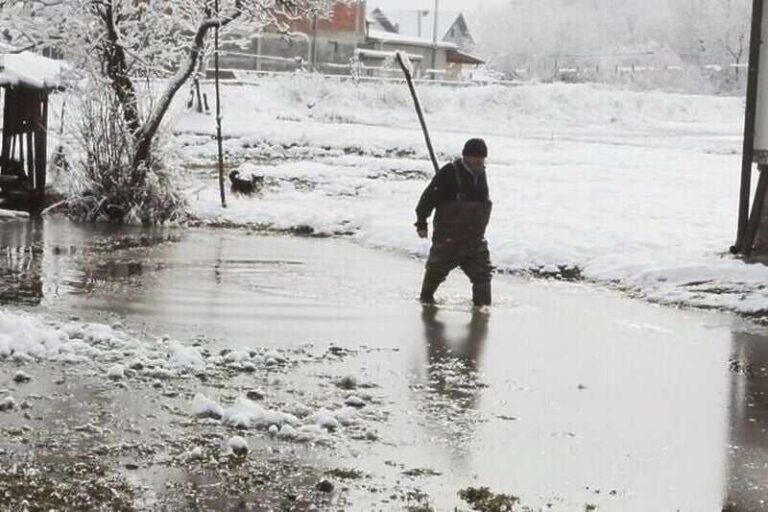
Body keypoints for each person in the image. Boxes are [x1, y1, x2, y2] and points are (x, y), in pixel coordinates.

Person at [415, 138, 493, 306]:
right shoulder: (450, 172)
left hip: (474, 240)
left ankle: (482, 311)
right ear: (466, 156)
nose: (480, 161)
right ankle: (426, 303)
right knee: (436, 272)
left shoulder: (481, 174)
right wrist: (421, 222)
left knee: (483, 275)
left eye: (482, 158)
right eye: (476, 157)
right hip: (448, 240)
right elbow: (428, 198)